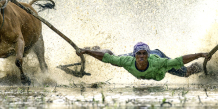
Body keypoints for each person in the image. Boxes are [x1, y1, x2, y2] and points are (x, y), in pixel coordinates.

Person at [76, 42, 207, 81]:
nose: (142, 56)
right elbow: (107, 58)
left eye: (144, 54)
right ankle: (97, 49)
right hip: (133, 57)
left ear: (147, 55)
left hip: (157, 55)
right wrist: (87, 52)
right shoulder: (128, 61)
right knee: (113, 59)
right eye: (139, 54)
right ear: (135, 56)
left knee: (187, 72)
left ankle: (206, 68)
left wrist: (200, 55)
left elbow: (180, 60)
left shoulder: (159, 63)